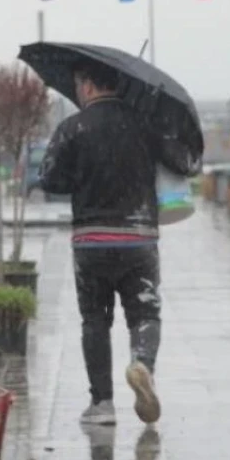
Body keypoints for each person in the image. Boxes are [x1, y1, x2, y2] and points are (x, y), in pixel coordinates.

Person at [38, 59, 199, 426]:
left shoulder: (72, 128)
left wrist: (82, 175)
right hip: (138, 238)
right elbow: (185, 162)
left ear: (91, 86)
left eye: (80, 84)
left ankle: (102, 404)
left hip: (91, 241)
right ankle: (142, 363)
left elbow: (50, 180)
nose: (78, 91)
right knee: (144, 312)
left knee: (95, 320)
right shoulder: (145, 125)